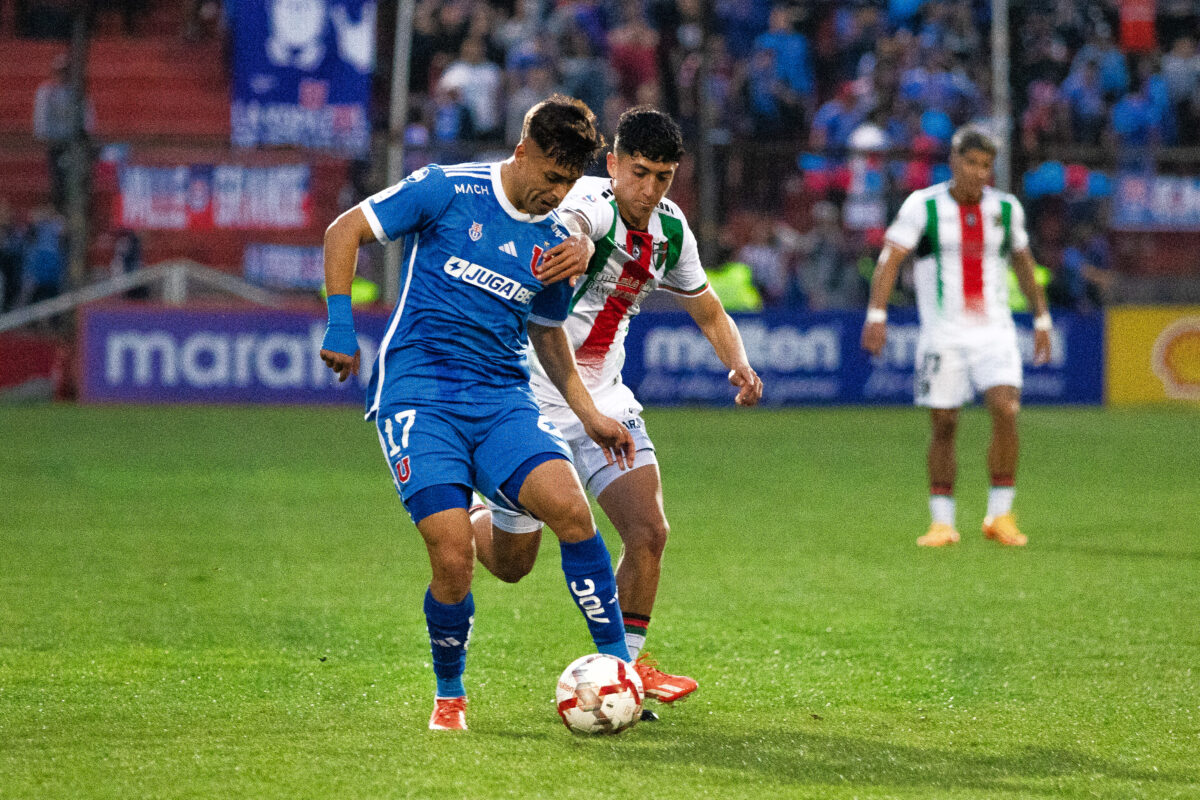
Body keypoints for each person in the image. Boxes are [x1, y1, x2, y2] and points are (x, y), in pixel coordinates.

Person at [318, 95, 638, 732]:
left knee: (564, 521)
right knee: (453, 557)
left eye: (570, 183)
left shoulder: (557, 244)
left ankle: (616, 668)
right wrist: (340, 325)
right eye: (551, 177)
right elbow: (343, 230)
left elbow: (549, 335)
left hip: (500, 400)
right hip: (420, 394)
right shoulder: (446, 189)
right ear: (523, 152)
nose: (558, 193)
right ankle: (450, 697)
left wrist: (589, 412)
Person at [469, 107, 763, 714]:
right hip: (529, 393)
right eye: (639, 172)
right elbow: (576, 221)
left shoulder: (672, 230)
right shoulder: (587, 202)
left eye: (663, 176)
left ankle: (626, 668)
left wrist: (737, 361)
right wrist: (573, 243)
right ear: (612, 165)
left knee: (649, 529)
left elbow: (708, 309)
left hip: (604, 396)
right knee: (511, 565)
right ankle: (478, 506)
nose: (649, 188)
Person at [860, 125, 1052, 548]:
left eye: (987, 165)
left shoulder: (1005, 209)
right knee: (944, 423)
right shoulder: (922, 206)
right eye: (972, 163)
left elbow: (1023, 262)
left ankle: (1000, 515)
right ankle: (942, 522)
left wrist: (1041, 319)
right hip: (943, 335)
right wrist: (877, 313)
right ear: (954, 161)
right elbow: (890, 260)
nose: (980, 172)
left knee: (1006, 408)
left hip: (995, 332)